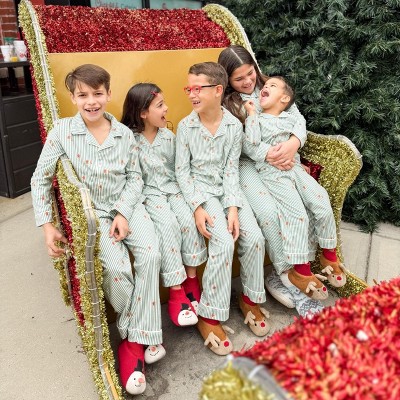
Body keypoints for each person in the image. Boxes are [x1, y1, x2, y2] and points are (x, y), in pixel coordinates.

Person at [31, 64, 161, 396]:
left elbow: (135, 178)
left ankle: (137, 338)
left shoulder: (124, 135)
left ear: (108, 94)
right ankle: (136, 338)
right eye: (83, 95)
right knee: (117, 269)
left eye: (98, 94)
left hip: (128, 206)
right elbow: (40, 179)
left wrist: (124, 212)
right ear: (73, 97)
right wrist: (47, 226)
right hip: (95, 216)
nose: (91, 101)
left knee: (151, 255)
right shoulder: (62, 132)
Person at [218, 45, 324, 315]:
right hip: (247, 163)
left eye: (250, 73)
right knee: (269, 213)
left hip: (285, 159)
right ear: (227, 80)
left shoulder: (273, 86)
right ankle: (288, 277)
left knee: (304, 203)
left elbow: (297, 119)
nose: (247, 81)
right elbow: (238, 143)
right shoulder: (228, 104)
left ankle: (301, 270)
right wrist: (271, 154)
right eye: (238, 78)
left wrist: (293, 143)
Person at [175, 61, 269, 356]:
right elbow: (182, 173)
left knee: (254, 238)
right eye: (189, 88)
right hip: (202, 193)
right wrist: (197, 206)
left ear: (217, 90)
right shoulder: (186, 127)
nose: (192, 94)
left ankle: (250, 299)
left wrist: (233, 208)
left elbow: (231, 171)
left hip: (228, 191)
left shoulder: (233, 126)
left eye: (197, 88)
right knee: (223, 242)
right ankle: (209, 314)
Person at [243, 75, 347, 298]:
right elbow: (251, 145)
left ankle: (329, 254)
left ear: (284, 99)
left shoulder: (290, 117)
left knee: (320, 198)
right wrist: (251, 114)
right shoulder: (256, 118)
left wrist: (293, 145)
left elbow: (300, 127)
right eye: (265, 85)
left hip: (295, 168)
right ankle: (300, 270)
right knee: (296, 213)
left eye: (272, 86)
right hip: (273, 173)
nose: (265, 88)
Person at [120, 82, 207, 329]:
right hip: (149, 195)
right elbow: (131, 176)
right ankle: (176, 290)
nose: (166, 108)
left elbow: (180, 170)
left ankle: (191, 280)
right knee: (167, 226)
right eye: (160, 105)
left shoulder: (169, 137)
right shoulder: (130, 140)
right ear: (143, 113)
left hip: (174, 189)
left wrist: (192, 200)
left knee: (188, 221)